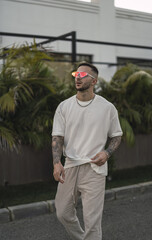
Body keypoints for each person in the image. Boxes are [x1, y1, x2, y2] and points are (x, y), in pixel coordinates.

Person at [52, 62, 123, 240]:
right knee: (63, 212)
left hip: (94, 168)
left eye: (83, 75)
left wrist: (106, 153)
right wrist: (56, 162)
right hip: (70, 166)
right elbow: (57, 137)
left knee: (92, 221)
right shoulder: (64, 107)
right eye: (76, 73)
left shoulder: (107, 108)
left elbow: (116, 136)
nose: (78, 77)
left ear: (94, 81)